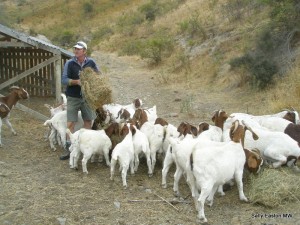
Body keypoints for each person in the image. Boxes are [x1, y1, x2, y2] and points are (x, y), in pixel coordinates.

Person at [60, 41, 100, 160]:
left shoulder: (91, 62)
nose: (76, 51)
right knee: (71, 123)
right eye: (75, 49)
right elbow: (64, 80)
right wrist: (76, 82)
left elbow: (98, 75)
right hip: (73, 97)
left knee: (88, 121)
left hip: (87, 98)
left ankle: (85, 147)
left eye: (79, 49)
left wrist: (92, 81)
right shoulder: (70, 63)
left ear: (84, 51)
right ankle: (69, 149)